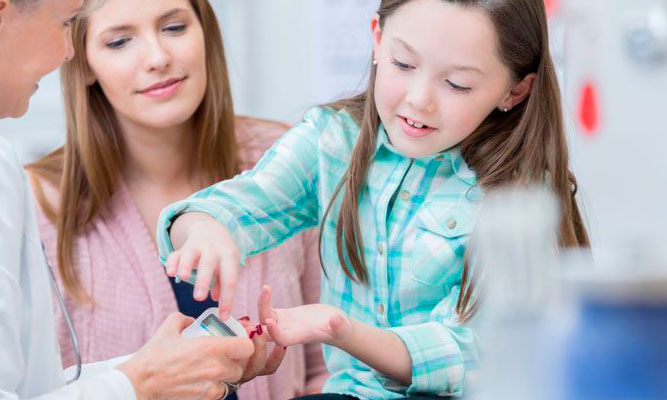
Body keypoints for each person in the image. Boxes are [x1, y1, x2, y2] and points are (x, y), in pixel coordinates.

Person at [158, 0, 590, 398]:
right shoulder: (332, 140)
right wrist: (205, 226)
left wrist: (342, 331)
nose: (419, 100)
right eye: (404, 63)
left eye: (457, 85)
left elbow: (477, 351)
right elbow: (244, 201)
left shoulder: (518, 195)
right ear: (377, 40)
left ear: (514, 91)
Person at [24, 0, 327, 398]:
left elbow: (330, 366)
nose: (158, 57)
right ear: (80, 63)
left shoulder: (284, 162)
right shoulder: (38, 206)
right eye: (119, 42)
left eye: (174, 28)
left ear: (206, 34)